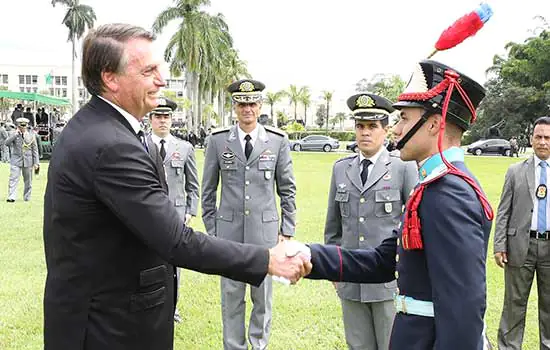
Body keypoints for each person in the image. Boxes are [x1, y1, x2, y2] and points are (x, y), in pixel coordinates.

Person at [42, 23, 309, 350]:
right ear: (110, 78)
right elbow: (176, 240)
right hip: (109, 328)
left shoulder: (104, 128)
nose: (162, 80)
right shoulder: (110, 144)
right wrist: (267, 259)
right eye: (149, 70)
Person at [304, 60, 494, 350]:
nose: (395, 128)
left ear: (433, 125)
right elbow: (382, 261)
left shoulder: (449, 193)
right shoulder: (433, 186)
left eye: (404, 118)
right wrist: (308, 255)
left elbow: (463, 310)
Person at [201, 78, 297, 350]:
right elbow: (208, 190)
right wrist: (213, 229)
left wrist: (287, 229)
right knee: (231, 297)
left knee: (262, 297)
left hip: (264, 234)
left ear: (260, 106)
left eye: (252, 103)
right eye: (242, 103)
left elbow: (287, 189)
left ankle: (259, 345)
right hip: (228, 234)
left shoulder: (277, 141)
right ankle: (233, 346)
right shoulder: (218, 141)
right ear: (234, 106)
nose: (247, 109)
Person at [324, 93, 417, 350]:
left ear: (386, 130)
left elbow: (412, 226)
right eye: (360, 126)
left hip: (388, 282)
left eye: (372, 126)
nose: (365, 132)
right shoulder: (341, 169)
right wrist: (334, 268)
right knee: (358, 345)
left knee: (391, 344)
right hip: (351, 279)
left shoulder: (402, 168)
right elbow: (333, 228)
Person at [494, 116, 550, 349]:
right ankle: (509, 346)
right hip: (520, 247)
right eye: (538, 137)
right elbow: (503, 210)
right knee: (514, 305)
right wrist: (499, 245)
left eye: (548, 137)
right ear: (531, 139)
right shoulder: (515, 171)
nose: (543, 142)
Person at [147, 97, 200, 324]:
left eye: (166, 117)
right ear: (150, 119)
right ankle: (150, 307)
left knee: (175, 265)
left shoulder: (184, 148)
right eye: (158, 116)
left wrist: (191, 210)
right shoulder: (140, 145)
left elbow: (193, 185)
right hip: (147, 214)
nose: (162, 121)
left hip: (176, 215)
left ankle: (173, 308)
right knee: (148, 262)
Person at [5, 117, 40, 202]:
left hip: (28, 161)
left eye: (24, 126)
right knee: (13, 179)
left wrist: (36, 163)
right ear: (18, 126)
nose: (22, 128)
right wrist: (15, 135)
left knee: (28, 181)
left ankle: (27, 197)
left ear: (26, 126)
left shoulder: (31, 135)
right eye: (21, 126)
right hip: (16, 160)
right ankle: (11, 197)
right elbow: (7, 143)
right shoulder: (14, 134)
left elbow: (35, 150)